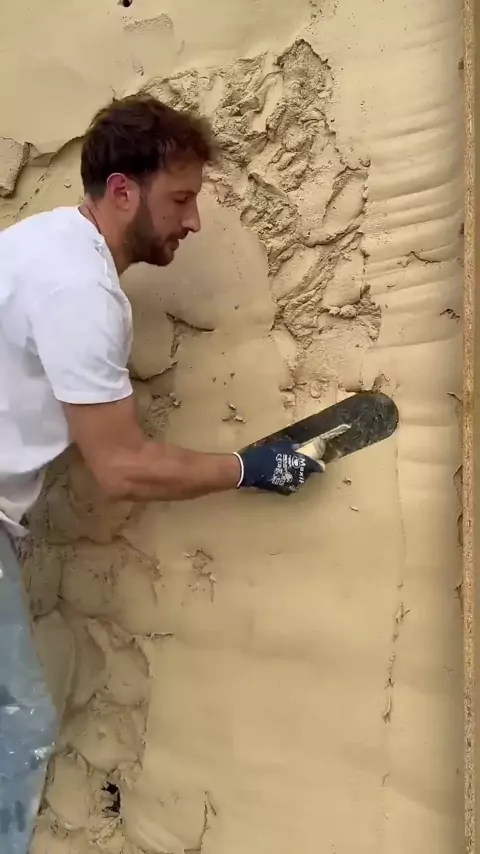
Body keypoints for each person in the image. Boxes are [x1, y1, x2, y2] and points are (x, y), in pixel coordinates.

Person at [0, 94, 323, 852]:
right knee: (20, 726)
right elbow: (121, 467)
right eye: (180, 199)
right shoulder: (78, 289)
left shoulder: (37, 244)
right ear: (122, 191)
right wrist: (245, 467)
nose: (194, 221)